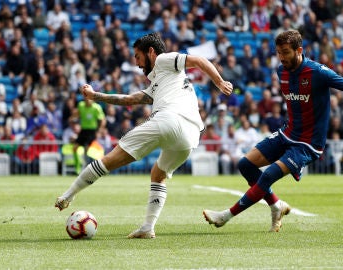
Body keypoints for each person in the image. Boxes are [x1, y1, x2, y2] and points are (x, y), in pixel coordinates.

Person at [55, 32, 233, 238]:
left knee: (107, 161)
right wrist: (96, 96)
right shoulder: (160, 83)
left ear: (151, 52)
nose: (137, 63)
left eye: (138, 57)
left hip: (169, 120)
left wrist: (219, 82)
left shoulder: (164, 60)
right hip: (190, 137)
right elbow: (129, 99)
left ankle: (68, 196)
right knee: (158, 175)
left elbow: (199, 61)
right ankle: (148, 227)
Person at [203, 30, 343, 232]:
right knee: (245, 164)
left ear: (299, 50)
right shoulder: (281, 71)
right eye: (278, 52)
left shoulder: (318, 72)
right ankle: (276, 205)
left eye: (286, 52)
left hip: (308, 143)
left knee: (268, 175)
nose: (282, 57)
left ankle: (225, 216)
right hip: (287, 133)